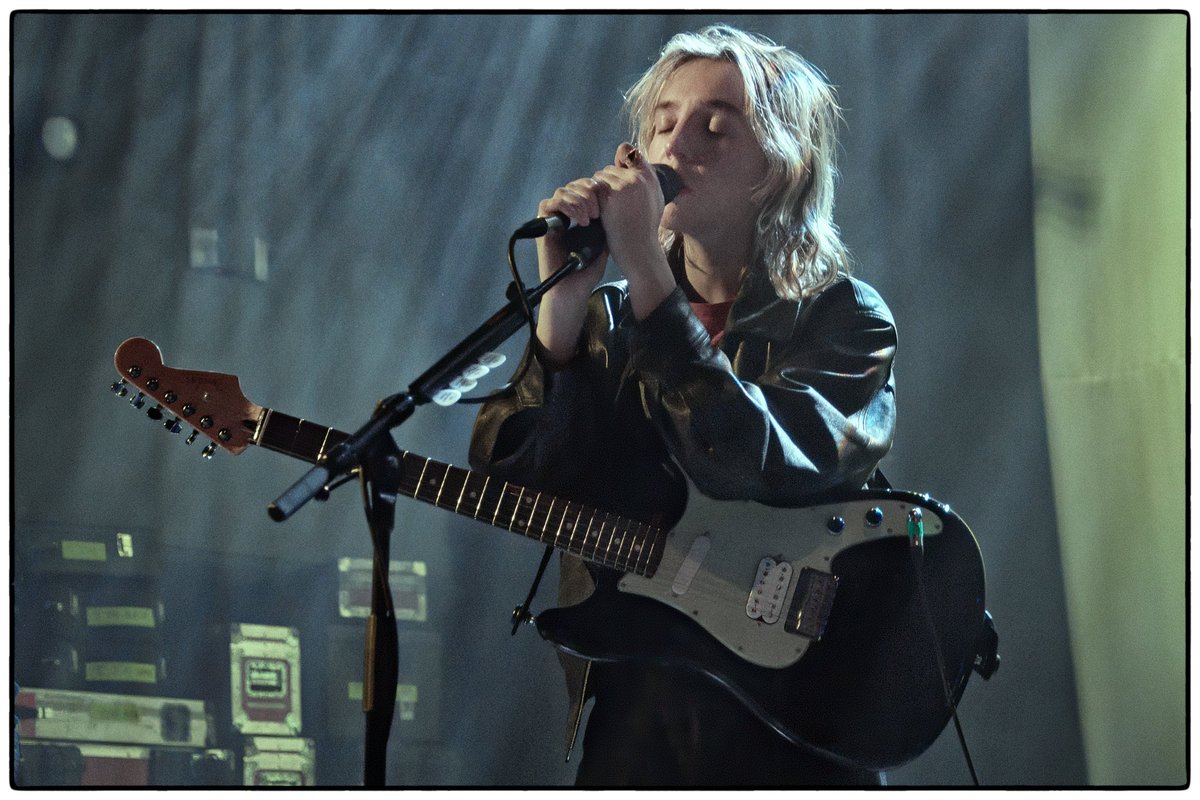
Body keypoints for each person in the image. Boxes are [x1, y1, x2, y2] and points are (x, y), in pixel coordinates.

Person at [469, 24, 896, 786]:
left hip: (787, 713)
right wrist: (561, 316)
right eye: (661, 122)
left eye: (714, 127)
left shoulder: (845, 320)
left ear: (780, 163)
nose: (674, 145)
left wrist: (647, 281)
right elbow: (519, 485)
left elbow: (756, 465)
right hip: (635, 707)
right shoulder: (606, 320)